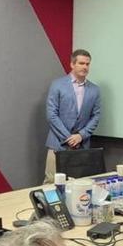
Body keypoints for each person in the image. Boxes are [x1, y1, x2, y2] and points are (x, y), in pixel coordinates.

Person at [44, 49, 102, 182]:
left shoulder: (95, 90)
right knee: (51, 182)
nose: (85, 67)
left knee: (79, 183)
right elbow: (51, 114)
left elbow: (96, 116)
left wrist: (81, 136)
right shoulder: (57, 85)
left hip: (82, 146)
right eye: (81, 63)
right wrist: (68, 138)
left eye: (87, 64)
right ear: (72, 64)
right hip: (58, 144)